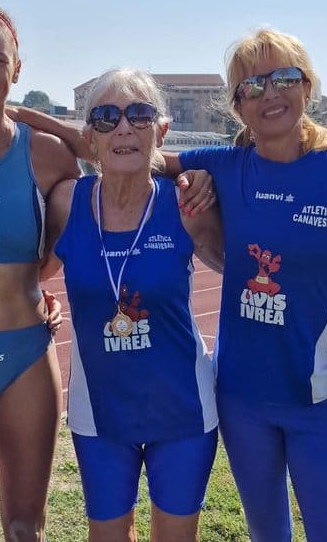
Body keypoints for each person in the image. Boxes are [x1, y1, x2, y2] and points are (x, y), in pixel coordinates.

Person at [168, 29, 327, 541]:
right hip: (242, 403)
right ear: (238, 105)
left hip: (320, 402)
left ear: (307, 87)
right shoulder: (223, 165)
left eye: (284, 77)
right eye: (253, 85)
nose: (271, 94)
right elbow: (139, 158)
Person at [43, 67, 225, 541]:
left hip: (182, 409)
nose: (123, 127)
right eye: (106, 117)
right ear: (91, 139)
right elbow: (18, 268)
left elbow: (255, 266)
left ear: (160, 131)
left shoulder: (188, 204)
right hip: (99, 413)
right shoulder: (67, 201)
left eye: (139, 114)